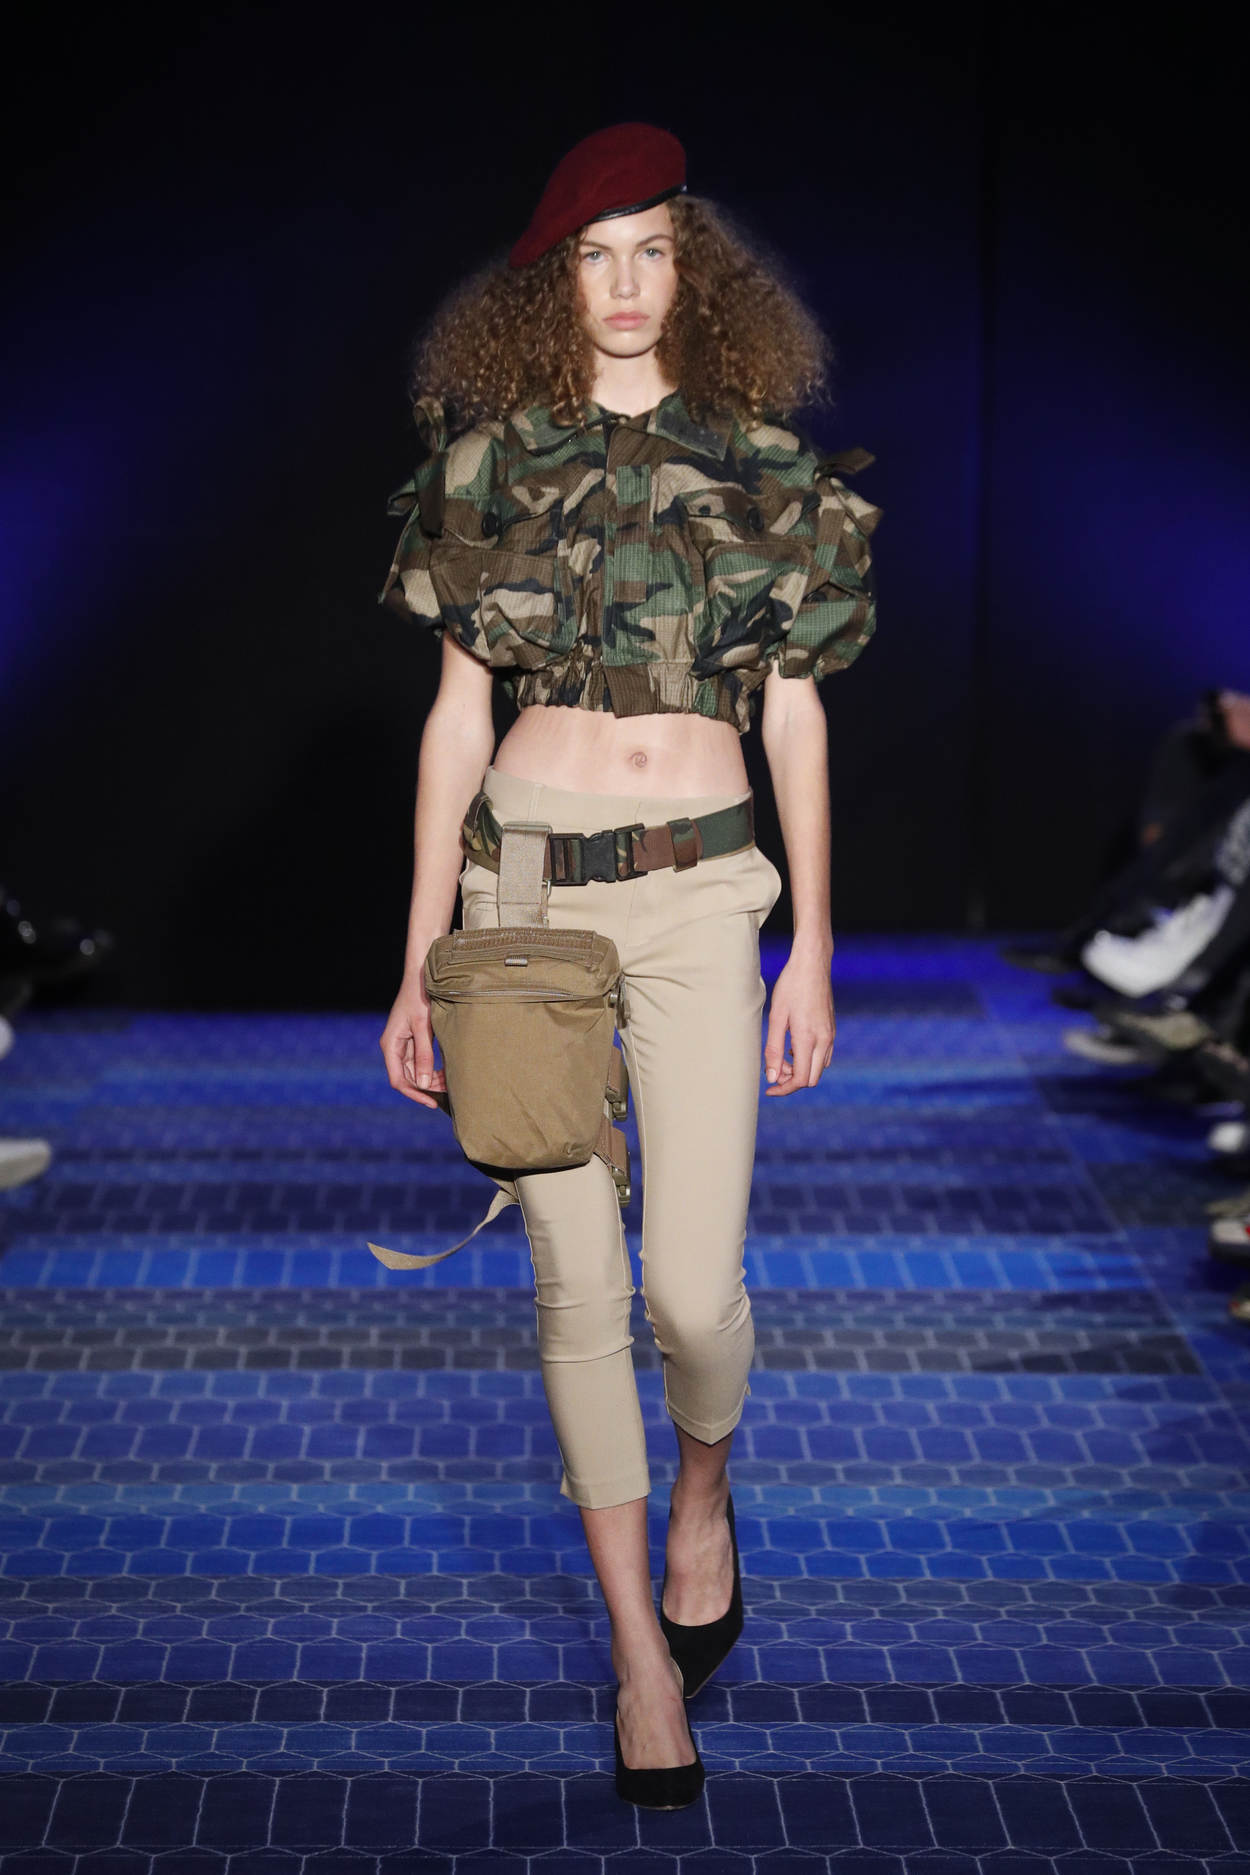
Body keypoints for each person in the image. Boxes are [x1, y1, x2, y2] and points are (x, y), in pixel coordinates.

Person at [376, 123, 879, 1808]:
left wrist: (813, 943)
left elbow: (793, 717)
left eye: (650, 250)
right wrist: (419, 958)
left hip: (699, 897)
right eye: (592, 256)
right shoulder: (485, 467)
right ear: (553, 284)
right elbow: (456, 723)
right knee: (577, 1293)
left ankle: (704, 1495)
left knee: (689, 1295)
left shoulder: (765, 469)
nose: (622, 283)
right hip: (521, 896)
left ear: (694, 272)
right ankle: (637, 1661)